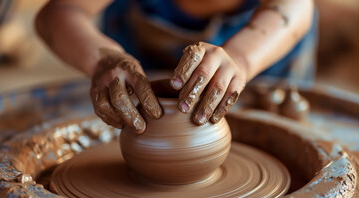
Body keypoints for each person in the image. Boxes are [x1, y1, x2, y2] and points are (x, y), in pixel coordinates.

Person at [35, 0, 316, 134]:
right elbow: (57, 13)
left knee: (282, 127)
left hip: (264, 53)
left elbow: (297, 5)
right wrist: (102, 59)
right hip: (139, 66)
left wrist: (241, 58)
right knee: (152, 122)